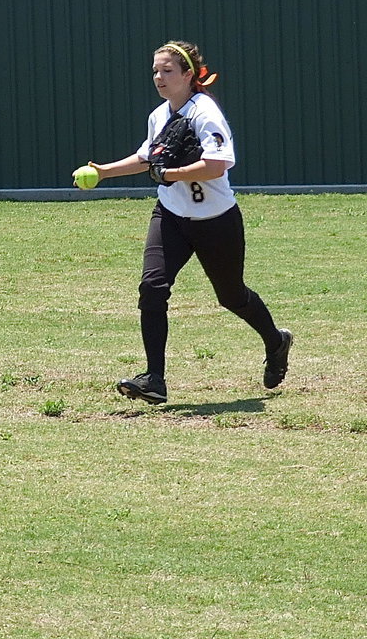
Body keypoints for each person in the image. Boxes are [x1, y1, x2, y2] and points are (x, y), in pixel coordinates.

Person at [81, 40, 292, 405]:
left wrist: (173, 174)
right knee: (152, 287)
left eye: (167, 71)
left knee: (231, 296)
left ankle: (276, 341)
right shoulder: (159, 116)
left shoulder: (204, 113)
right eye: (155, 71)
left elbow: (219, 163)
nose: (159, 78)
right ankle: (154, 379)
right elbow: (148, 158)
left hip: (216, 219)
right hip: (171, 216)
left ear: (188, 75)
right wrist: (104, 172)